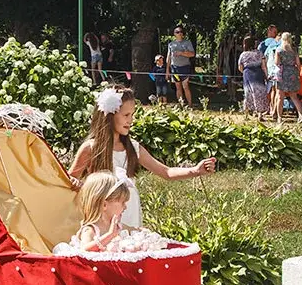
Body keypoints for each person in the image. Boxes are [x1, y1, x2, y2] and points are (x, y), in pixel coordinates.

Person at [68, 86, 216, 230]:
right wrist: (78, 184)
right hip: (103, 214)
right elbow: (69, 181)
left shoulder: (133, 148)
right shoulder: (91, 148)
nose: (130, 120)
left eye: (132, 115)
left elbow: (166, 172)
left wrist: (196, 170)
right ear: (110, 115)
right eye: (126, 115)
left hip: (128, 209)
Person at [71, 171, 129, 251]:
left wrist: (141, 230)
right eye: (122, 203)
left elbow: (130, 229)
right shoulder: (91, 229)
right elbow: (85, 250)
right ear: (104, 205)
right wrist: (110, 235)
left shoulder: (116, 226)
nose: (125, 207)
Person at [274, 32, 302, 123]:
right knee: (294, 96)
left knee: (280, 96)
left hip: (283, 73)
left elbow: (276, 63)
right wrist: (298, 73)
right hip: (292, 72)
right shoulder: (294, 50)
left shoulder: (279, 50)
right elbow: (298, 64)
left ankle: (279, 117)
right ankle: (301, 115)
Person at [238, 36, 269, 118]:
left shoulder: (243, 55)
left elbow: (240, 67)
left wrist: (245, 72)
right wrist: (266, 76)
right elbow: (264, 66)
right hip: (258, 74)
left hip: (247, 74)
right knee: (259, 94)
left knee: (248, 94)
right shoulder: (259, 53)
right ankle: (260, 114)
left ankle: (247, 113)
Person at [166, 26, 195, 106]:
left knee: (185, 86)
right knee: (178, 87)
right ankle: (181, 105)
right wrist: (167, 71)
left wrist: (181, 53)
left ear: (183, 34)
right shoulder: (171, 44)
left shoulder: (187, 43)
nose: (179, 33)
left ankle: (190, 105)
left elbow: (192, 54)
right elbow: (168, 58)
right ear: (174, 34)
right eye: (177, 32)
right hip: (174, 68)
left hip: (185, 67)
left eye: (181, 32)